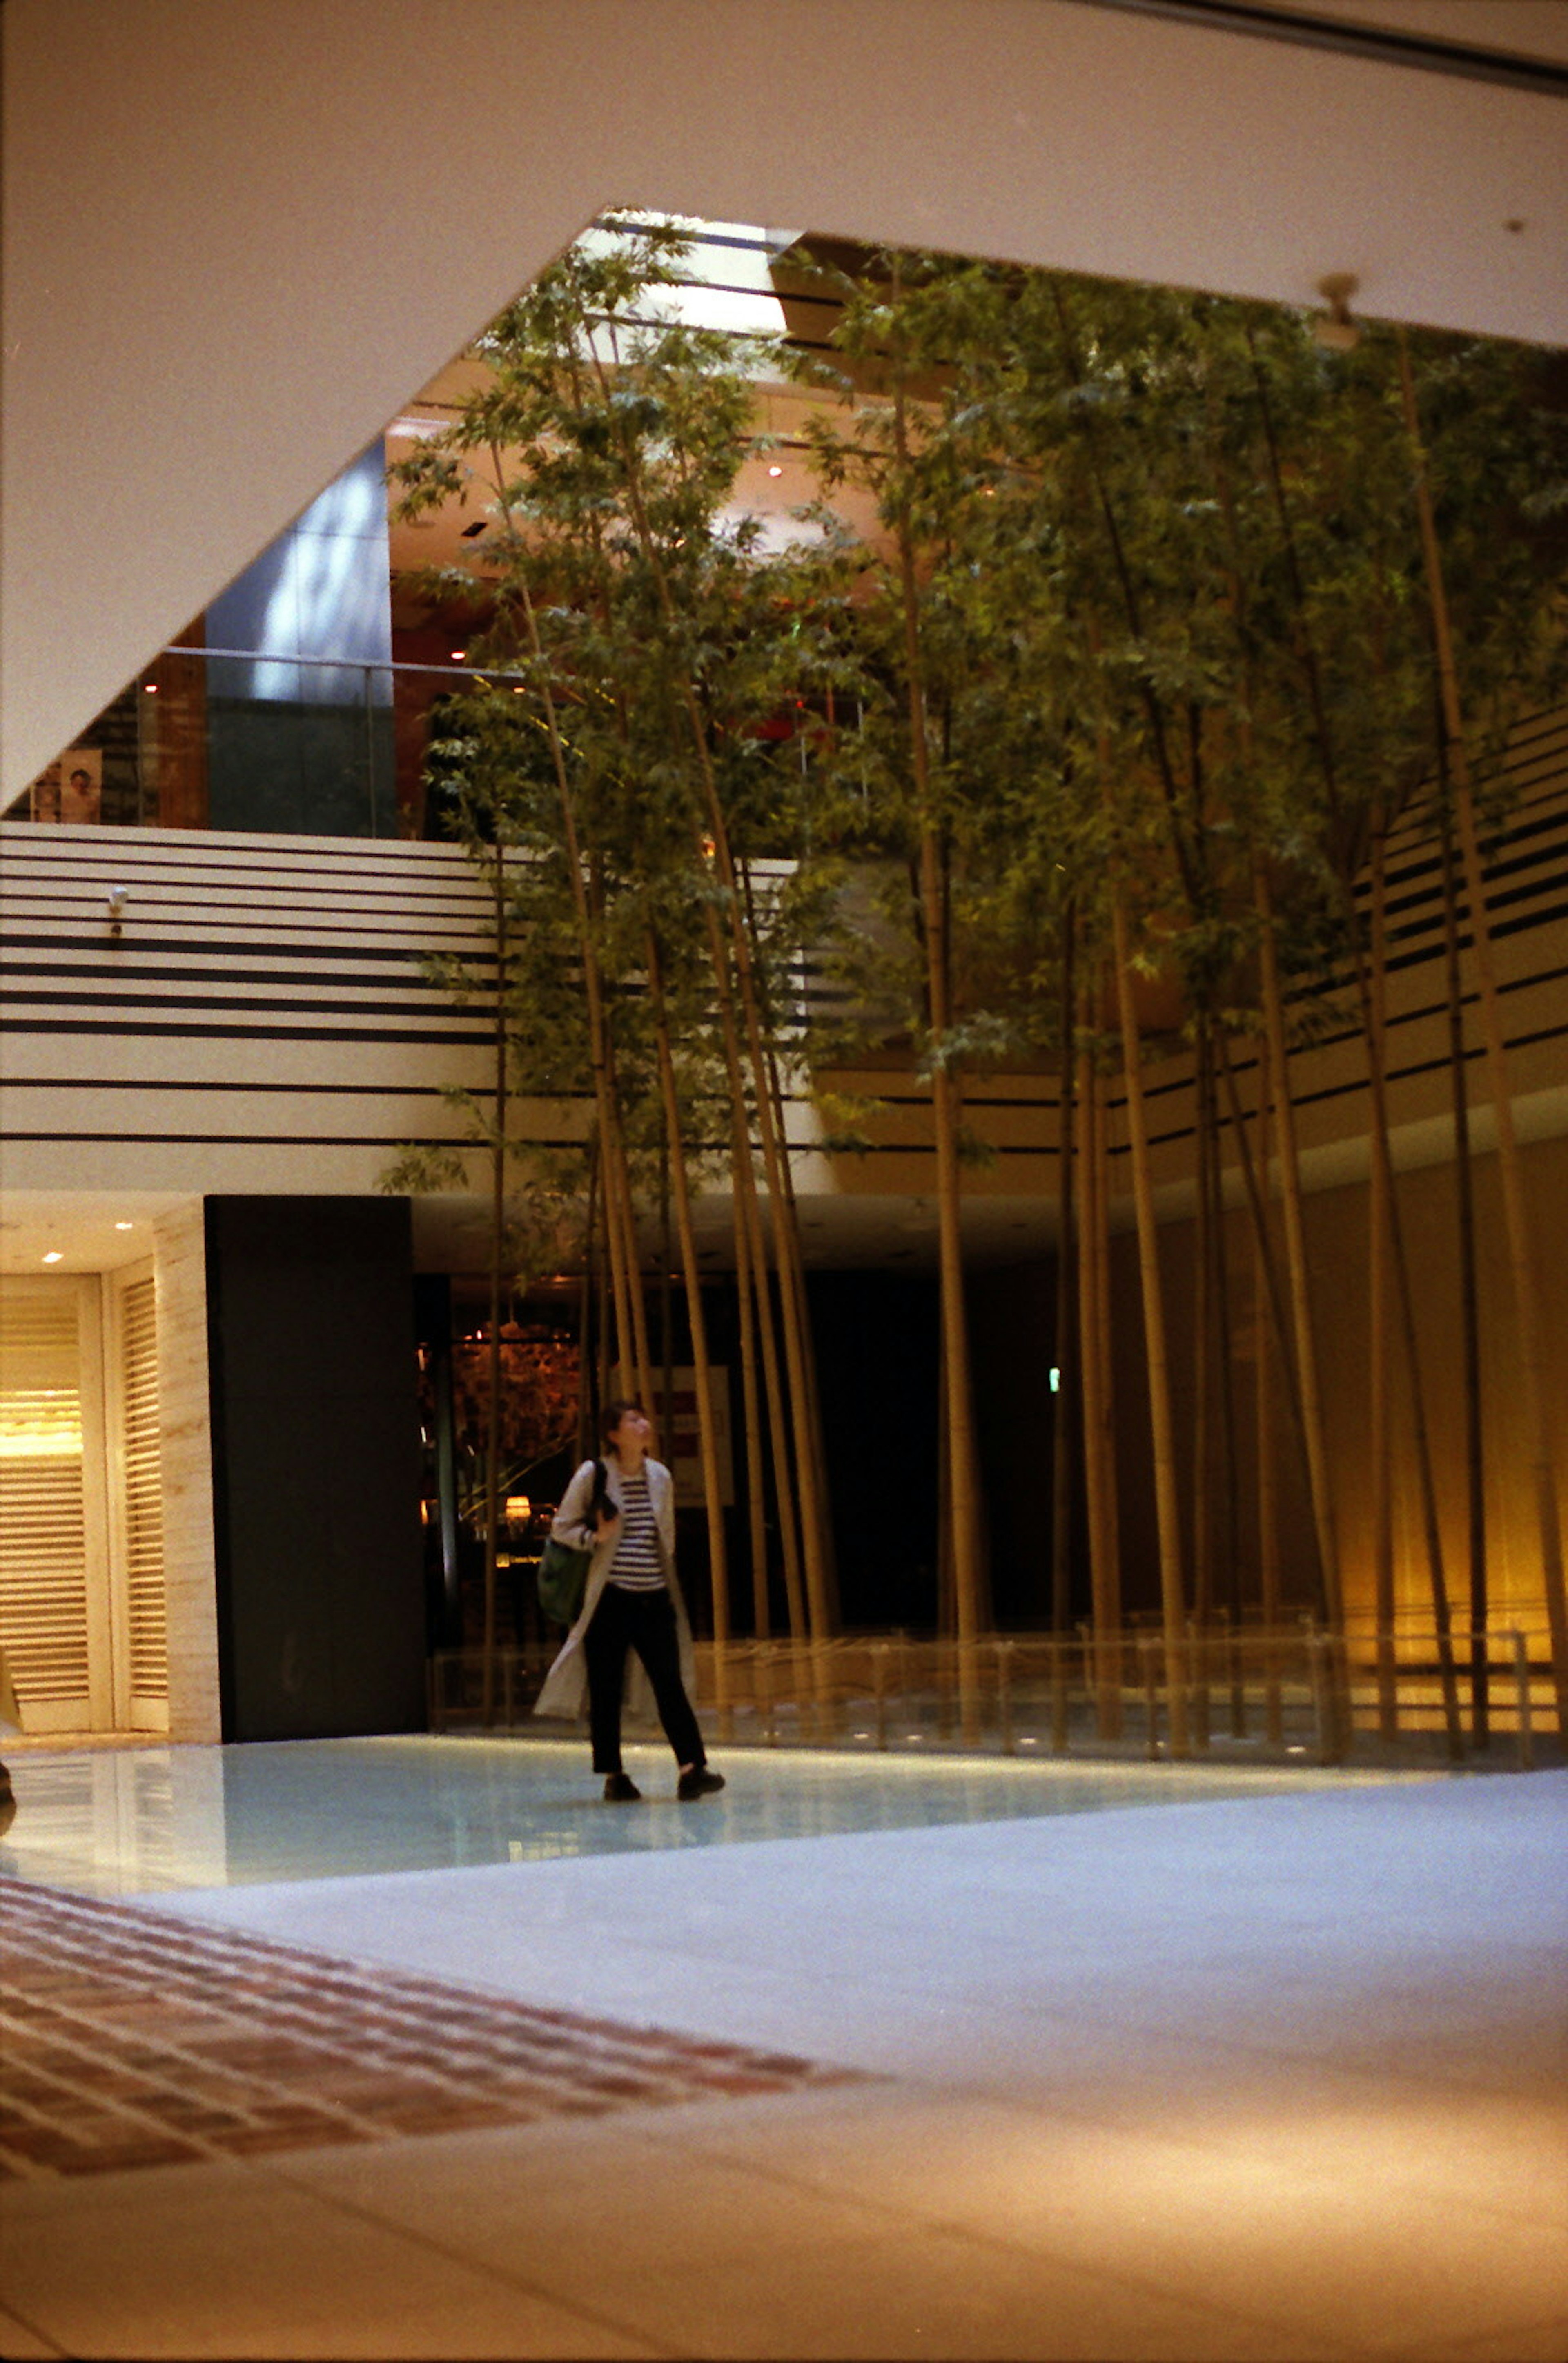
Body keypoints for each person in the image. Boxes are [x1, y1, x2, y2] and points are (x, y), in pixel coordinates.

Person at [534, 1401, 724, 1803]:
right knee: (606, 1688)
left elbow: (665, 1535)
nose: (645, 1425)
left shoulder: (660, 1476)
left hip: (654, 1596)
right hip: (610, 1599)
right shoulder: (595, 1474)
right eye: (633, 1420)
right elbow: (561, 1528)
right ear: (614, 1434)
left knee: (670, 1683)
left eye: (644, 1418)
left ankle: (692, 1768)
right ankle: (614, 1775)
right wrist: (595, 1538)